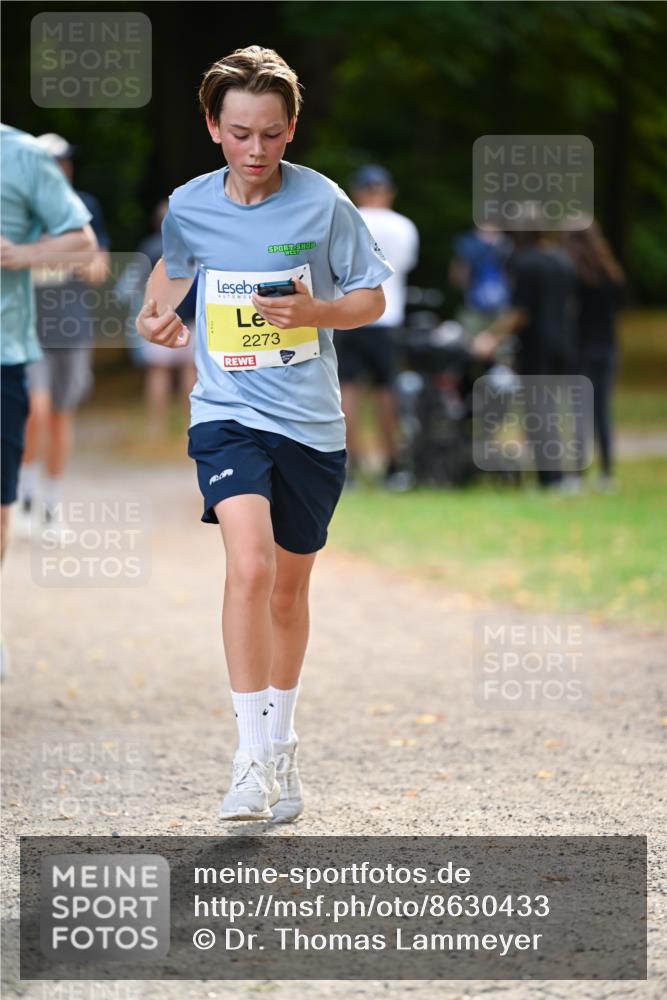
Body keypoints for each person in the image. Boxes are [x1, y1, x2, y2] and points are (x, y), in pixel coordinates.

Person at [135, 46, 392, 822]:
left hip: (310, 424)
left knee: (287, 588)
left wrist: (316, 314)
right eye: (241, 133)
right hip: (226, 412)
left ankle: (281, 746)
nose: (256, 151)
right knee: (246, 566)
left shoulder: (322, 203)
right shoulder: (189, 203)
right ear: (214, 126)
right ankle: (248, 760)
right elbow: (173, 271)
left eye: (272, 135)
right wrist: (154, 315)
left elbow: (370, 298)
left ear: (291, 130)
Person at [0, 123, 96, 675]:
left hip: (14, 350)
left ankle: (46, 502)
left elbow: (85, 246)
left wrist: (22, 254)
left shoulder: (23, 157)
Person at [15, 133, 110, 535]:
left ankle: (52, 506)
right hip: (28, 328)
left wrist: (63, 253)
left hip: (70, 327)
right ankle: (23, 495)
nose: (60, 169)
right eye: (51, 162)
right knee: (34, 412)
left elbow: (98, 269)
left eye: (65, 161)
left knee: (59, 415)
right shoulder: (17, 207)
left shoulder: (84, 207)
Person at [472, 227, 577, 489]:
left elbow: (521, 311)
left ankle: (551, 478)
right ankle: (562, 474)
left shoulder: (526, 263)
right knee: (554, 410)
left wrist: (491, 337)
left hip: (537, 346)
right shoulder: (561, 259)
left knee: (538, 412)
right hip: (564, 342)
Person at [333, 164, 418, 489]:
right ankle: (393, 465)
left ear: (357, 191)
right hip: (387, 316)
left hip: (349, 315)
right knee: (387, 392)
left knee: (347, 391)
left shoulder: (346, 219)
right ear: (389, 192)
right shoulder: (404, 226)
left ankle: (350, 465)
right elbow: (405, 265)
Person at [115, 200, 197, 442]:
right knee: (189, 371)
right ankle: (188, 426)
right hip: (190, 319)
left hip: (158, 318)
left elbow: (127, 286)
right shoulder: (194, 246)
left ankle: (156, 427)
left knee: (158, 372)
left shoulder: (150, 247)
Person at [564, 221, 625, 490]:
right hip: (609, 347)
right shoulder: (610, 270)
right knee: (602, 410)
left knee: (580, 411)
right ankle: (606, 473)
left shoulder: (574, 272)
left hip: (583, 348)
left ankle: (577, 475)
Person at [449, 224, 512, 338]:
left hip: (502, 310)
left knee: (502, 347)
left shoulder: (508, 245)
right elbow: (457, 278)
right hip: (473, 307)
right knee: (470, 346)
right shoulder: (467, 244)